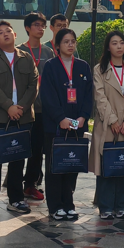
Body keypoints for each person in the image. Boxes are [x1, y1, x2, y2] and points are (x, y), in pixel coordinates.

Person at [0, 21, 37, 215]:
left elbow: (33, 84)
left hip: (23, 116)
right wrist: (8, 106)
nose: (5, 34)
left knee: (18, 158)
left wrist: (20, 107)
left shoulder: (26, 57)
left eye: (8, 31)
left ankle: (16, 199)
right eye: (0, 32)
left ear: (15, 35)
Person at [39, 28, 93, 221]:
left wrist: (83, 117)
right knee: (55, 167)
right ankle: (55, 207)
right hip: (55, 126)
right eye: (66, 42)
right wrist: (60, 118)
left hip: (77, 125)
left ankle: (69, 204)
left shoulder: (83, 66)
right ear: (58, 46)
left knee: (72, 165)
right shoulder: (51, 66)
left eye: (73, 41)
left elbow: (89, 95)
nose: (70, 45)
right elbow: (47, 95)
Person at [91, 31, 124, 219]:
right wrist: (112, 120)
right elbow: (100, 96)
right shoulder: (100, 70)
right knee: (106, 166)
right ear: (108, 47)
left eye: (121, 43)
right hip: (107, 124)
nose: (119, 46)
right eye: (114, 43)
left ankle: (121, 205)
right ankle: (105, 207)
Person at [21, 12, 52, 201]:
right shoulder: (19, 51)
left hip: (42, 109)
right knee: (19, 148)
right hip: (23, 109)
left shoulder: (48, 52)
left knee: (37, 149)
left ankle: (30, 184)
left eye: (43, 25)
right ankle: (14, 183)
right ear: (27, 28)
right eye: (37, 25)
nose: (41, 29)